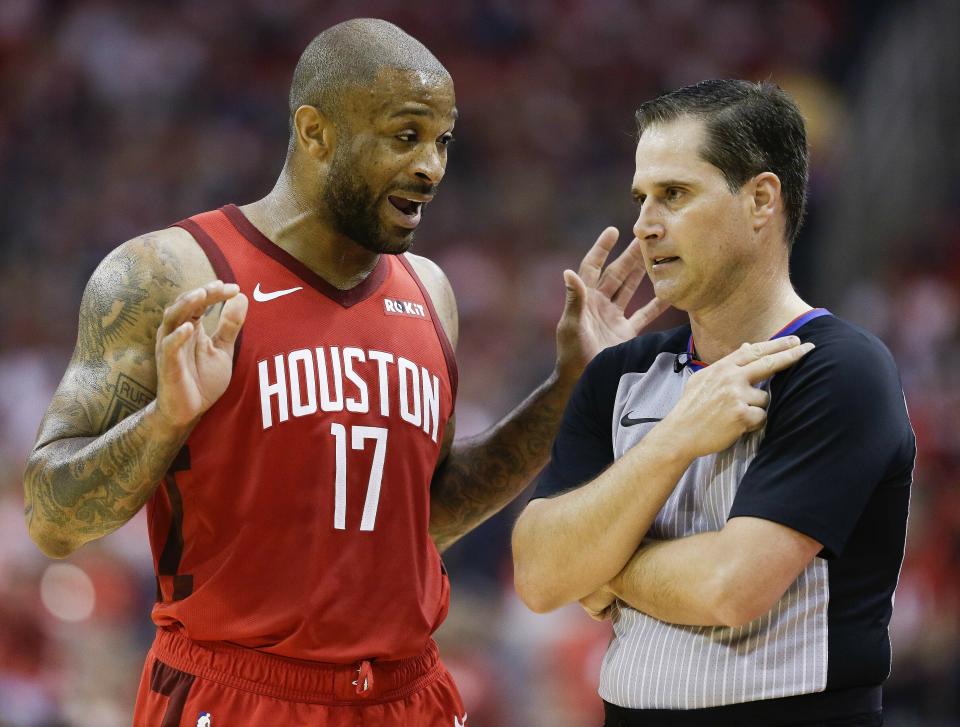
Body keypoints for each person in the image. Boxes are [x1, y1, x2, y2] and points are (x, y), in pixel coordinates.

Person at [21, 19, 669, 727]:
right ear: (315, 131)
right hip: (241, 691)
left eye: (443, 141)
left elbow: (421, 522)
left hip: (407, 691)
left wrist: (568, 389)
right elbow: (52, 519)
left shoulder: (429, 291)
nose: (431, 166)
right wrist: (165, 418)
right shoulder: (167, 272)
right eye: (405, 135)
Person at [512, 80, 914, 727]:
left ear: (760, 200)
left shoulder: (841, 367)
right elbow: (537, 573)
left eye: (674, 194)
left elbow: (731, 586)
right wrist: (673, 440)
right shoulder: (619, 370)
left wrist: (605, 568)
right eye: (641, 197)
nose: (644, 225)